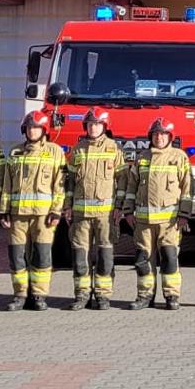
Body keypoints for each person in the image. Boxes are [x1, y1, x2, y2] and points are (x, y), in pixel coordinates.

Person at [0, 111, 65, 311]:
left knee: (42, 256)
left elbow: (60, 185)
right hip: (18, 215)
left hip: (44, 216)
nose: (32, 131)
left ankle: (38, 295)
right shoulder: (15, 153)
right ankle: (20, 295)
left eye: (36, 127)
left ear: (44, 130)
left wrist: (56, 211)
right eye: (29, 127)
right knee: (17, 256)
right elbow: (7, 185)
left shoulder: (55, 152)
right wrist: (4, 211)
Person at [126, 117, 192, 310]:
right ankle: (145, 296)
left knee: (170, 259)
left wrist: (184, 215)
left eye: (163, 134)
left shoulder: (179, 157)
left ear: (170, 136)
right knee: (143, 260)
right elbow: (132, 186)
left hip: (169, 222)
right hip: (144, 222)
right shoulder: (142, 157)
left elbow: (187, 189)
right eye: (156, 134)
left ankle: (172, 296)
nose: (159, 138)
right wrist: (128, 211)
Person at [66, 107, 127, 311]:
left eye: (98, 124)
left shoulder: (114, 149)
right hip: (80, 215)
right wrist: (67, 207)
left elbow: (122, 182)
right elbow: (70, 183)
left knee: (105, 256)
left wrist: (119, 207)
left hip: (105, 215)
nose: (94, 127)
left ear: (104, 126)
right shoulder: (78, 150)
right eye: (91, 124)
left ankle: (103, 295)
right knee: (80, 257)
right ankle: (82, 295)